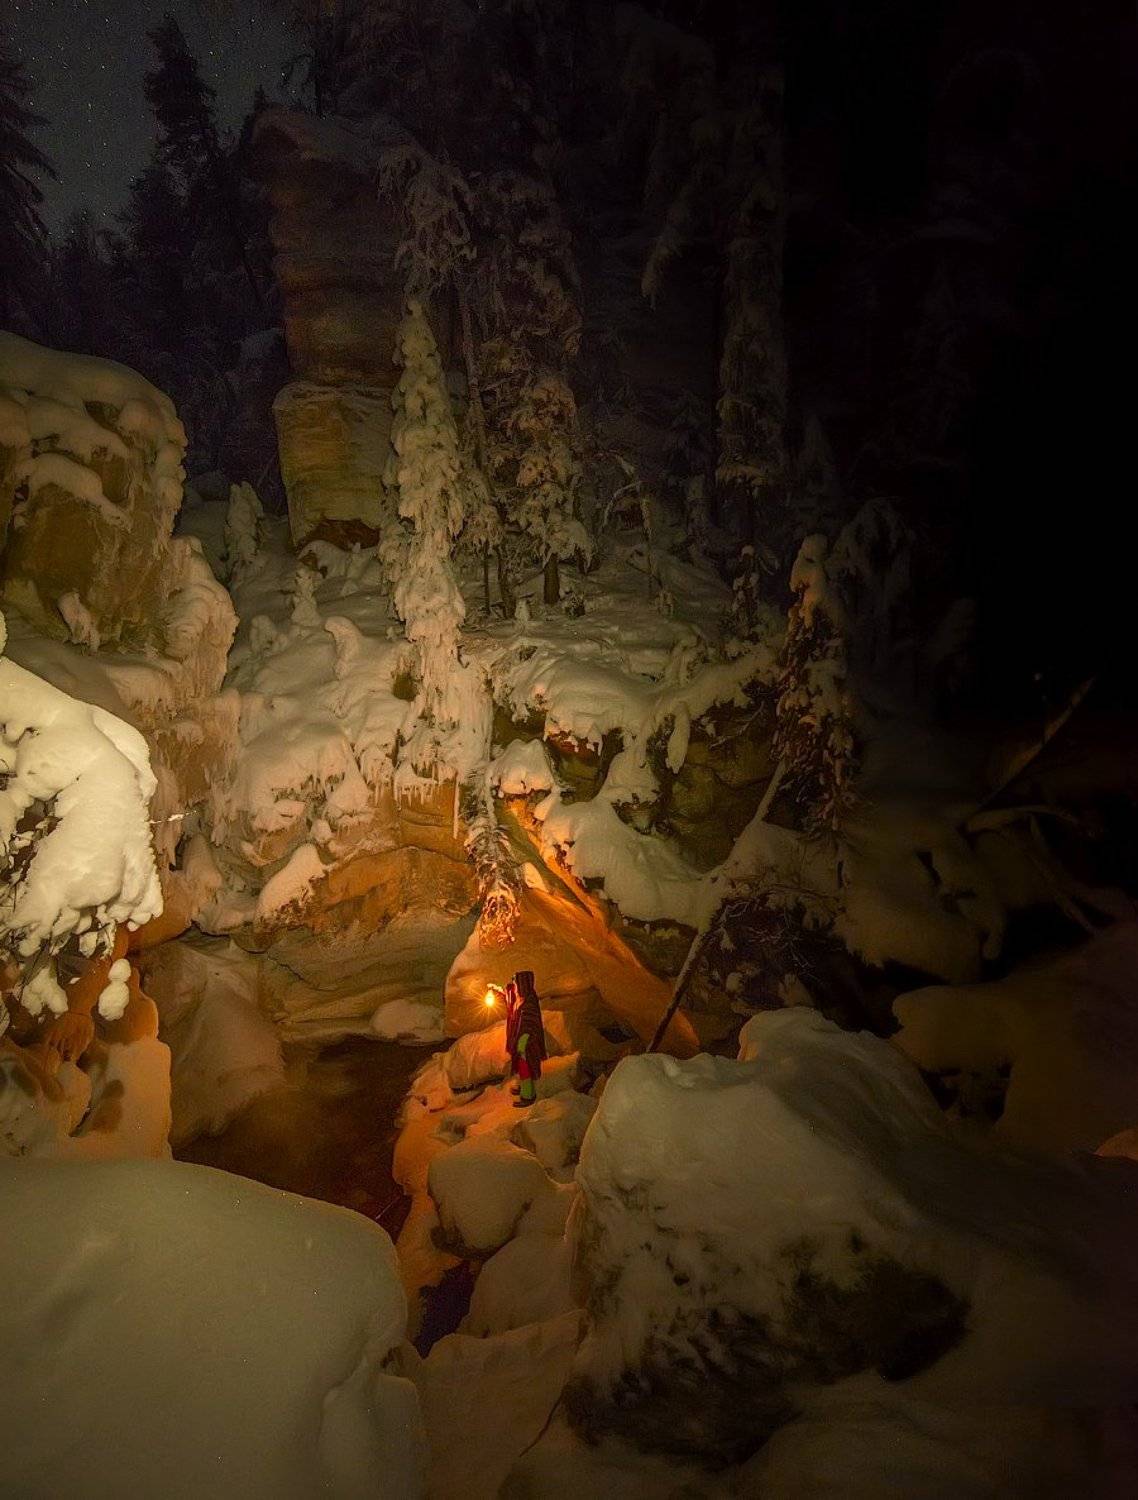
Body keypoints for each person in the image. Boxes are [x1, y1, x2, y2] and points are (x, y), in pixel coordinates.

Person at [504, 969, 546, 1108]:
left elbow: (530, 1026)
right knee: (522, 1069)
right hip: (520, 1043)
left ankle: (528, 1096)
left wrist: (522, 1045)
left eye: (517, 985)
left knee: (526, 1069)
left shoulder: (529, 1004)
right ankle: (524, 1087)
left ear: (523, 986)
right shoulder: (520, 999)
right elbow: (510, 998)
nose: (515, 988)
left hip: (527, 1045)